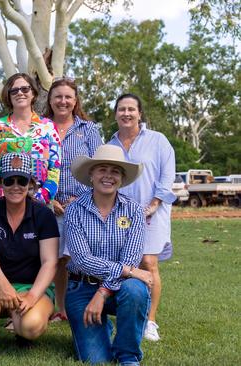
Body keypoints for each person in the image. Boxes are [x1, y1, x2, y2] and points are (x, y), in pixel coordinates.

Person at [64, 144, 153, 365]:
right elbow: (82, 260)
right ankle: (104, 326)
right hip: (82, 288)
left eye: (115, 171)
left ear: (122, 178)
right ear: (91, 175)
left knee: (136, 290)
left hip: (118, 287)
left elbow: (131, 259)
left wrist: (103, 291)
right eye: (102, 169)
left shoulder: (134, 211)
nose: (108, 176)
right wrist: (128, 271)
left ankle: (128, 355)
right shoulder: (74, 210)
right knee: (97, 359)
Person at [0, 152, 59, 356]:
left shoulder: (44, 215)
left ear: (31, 183)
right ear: (1, 183)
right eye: (9, 180)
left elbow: (50, 262)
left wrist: (32, 295)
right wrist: (4, 286)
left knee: (30, 327)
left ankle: (21, 326)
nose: (16, 186)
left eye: (22, 180)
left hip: (33, 286)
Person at [108, 93, 175, 342]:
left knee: (148, 263)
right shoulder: (110, 145)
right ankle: (129, 316)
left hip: (152, 212)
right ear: (115, 114)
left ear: (139, 113)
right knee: (127, 265)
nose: (126, 113)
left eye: (131, 109)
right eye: (121, 109)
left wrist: (155, 203)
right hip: (120, 215)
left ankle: (150, 321)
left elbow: (168, 175)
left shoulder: (158, 140)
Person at [43, 78, 103, 322]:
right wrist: (49, 199)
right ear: (50, 100)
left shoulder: (88, 129)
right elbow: (36, 168)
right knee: (56, 259)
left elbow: (99, 167)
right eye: (58, 96)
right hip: (50, 206)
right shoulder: (42, 129)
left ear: (75, 100)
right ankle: (60, 308)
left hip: (83, 204)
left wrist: (82, 198)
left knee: (79, 257)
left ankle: (85, 304)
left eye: (68, 96)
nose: (63, 101)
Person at [0, 73, 62, 203]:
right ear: (8, 95)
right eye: (14, 90)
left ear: (34, 93)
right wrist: (5, 198)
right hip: (5, 204)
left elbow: (54, 169)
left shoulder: (48, 127)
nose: (20, 93)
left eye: (25, 89)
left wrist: (41, 198)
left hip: (40, 204)